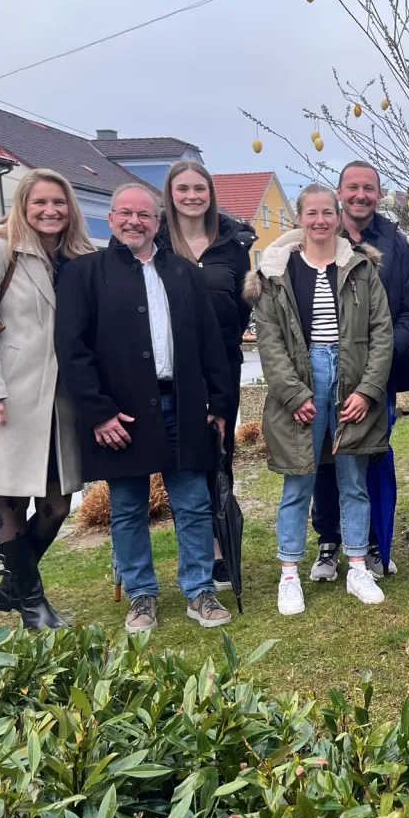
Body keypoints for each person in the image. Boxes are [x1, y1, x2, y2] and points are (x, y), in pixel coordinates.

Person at [56, 183, 234, 633]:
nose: (135, 221)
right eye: (126, 213)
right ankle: (141, 595)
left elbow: (210, 342)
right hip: (121, 412)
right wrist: (97, 412)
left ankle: (199, 591)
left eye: (145, 215)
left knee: (192, 503)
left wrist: (218, 402)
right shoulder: (85, 273)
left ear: (159, 221)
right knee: (129, 507)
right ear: (111, 219)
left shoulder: (184, 273)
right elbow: (72, 351)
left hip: (185, 404)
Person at [0, 169, 96, 629]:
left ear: (70, 208)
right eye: (40, 203)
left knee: (57, 504)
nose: (50, 211)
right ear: (23, 206)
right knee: (11, 498)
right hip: (11, 393)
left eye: (59, 202)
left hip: (62, 401)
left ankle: (13, 583)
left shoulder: (77, 255)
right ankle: (32, 603)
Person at [244, 184, 394, 612]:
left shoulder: (361, 268)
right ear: (300, 219)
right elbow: (269, 340)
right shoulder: (278, 273)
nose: (320, 220)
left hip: (350, 376)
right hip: (303, 376)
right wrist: (293, 394)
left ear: (338, 215)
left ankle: (357, 566)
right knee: (299, 482)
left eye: (327, 212)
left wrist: (367, 390)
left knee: (353, 481)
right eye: (311, 213)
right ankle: (289, 573)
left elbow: (381, 333)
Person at [309, 161, 409, 583]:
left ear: (379, 194)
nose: (361, 195)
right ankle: (328, 542)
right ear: (340, 192)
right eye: (353, 187)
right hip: (322, 373)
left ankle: (376, 543)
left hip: (379, 375)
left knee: (374, 456)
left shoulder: (394, 243)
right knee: (325, 456)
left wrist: (380, 355)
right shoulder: (317, 238)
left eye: (369, 188)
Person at [158, 160, 256, 591]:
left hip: (222, 364)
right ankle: (195, 548)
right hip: (168, 369)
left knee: (218, 454)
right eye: (183, 189)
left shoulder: (233, 242)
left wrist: (226, 342)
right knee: (181, 461)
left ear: (211, 193)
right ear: (170, 193)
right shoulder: (157, 241)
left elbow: (243, 302)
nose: (192, 196)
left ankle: (219, 548)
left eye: (200, 188)